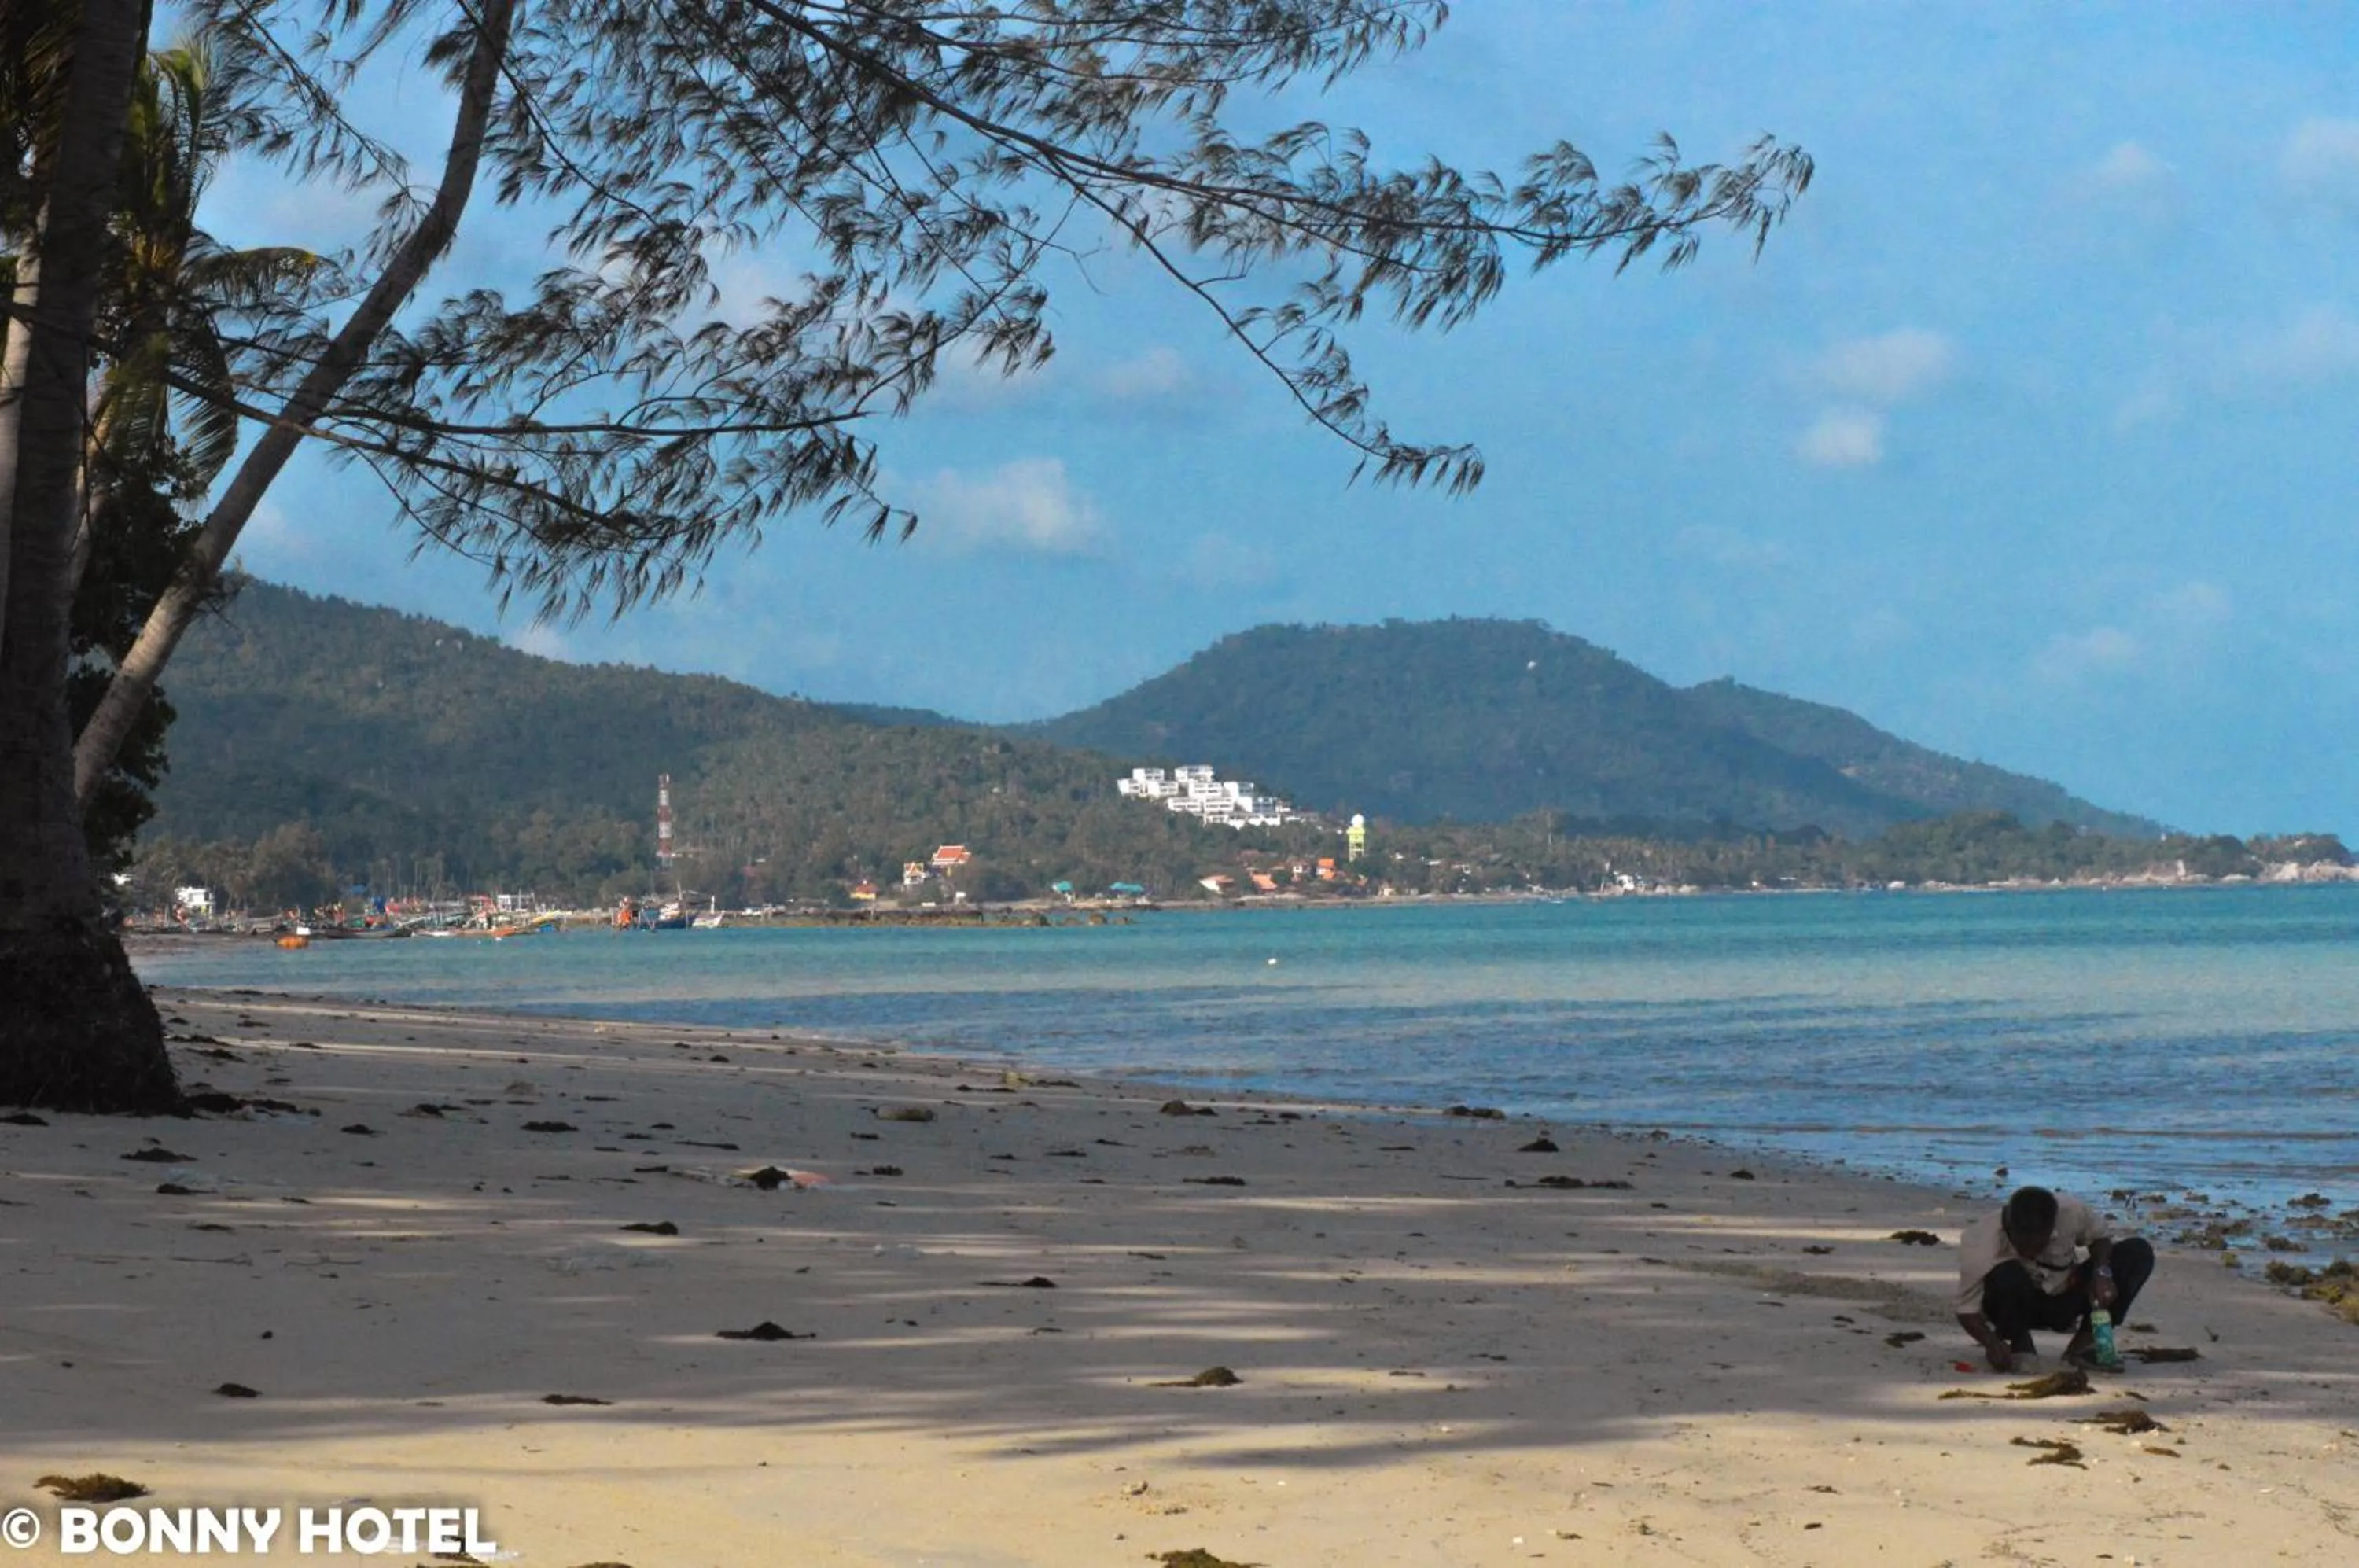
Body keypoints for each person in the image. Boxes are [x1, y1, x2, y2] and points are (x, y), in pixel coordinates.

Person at [1956, 1184, 2155, 1373]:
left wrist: (2102, 1273)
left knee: (2137, 1252)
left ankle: (2082, 1347)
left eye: (2040, 1245)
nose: (2032, 1253)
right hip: (2017, 1305)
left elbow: (2100, 1238)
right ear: (2009, 1227)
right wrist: (1991, 1343)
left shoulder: (2071, 1211)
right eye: (2024, 1246)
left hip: (2066, 1295)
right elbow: (1966, 1311)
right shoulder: (1979, 1242)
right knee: (2006, 1274)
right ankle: (2021, 1345)